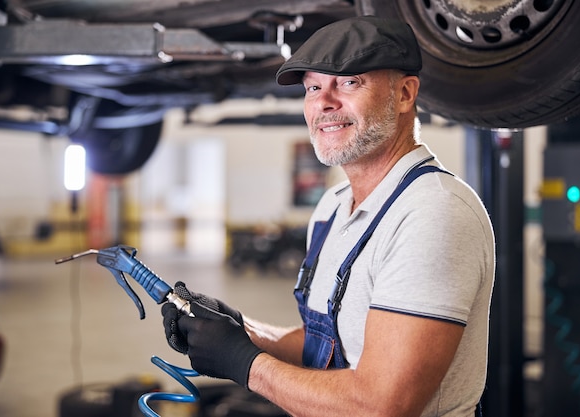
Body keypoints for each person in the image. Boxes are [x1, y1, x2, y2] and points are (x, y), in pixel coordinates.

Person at [162, 16, 495, 417]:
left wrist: (245, 363)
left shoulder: (432, 213)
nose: (324, 102)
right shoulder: (333, 207)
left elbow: (381, 406)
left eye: (349, 82)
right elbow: (328, 345)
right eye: (314, 87)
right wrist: (240, 330)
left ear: (405, 94)